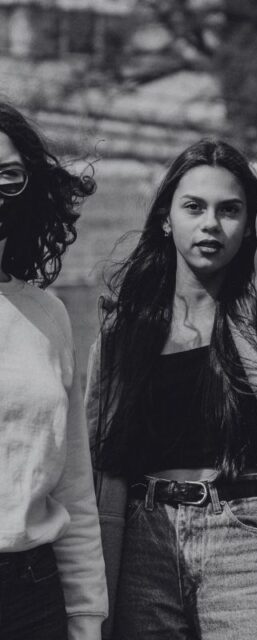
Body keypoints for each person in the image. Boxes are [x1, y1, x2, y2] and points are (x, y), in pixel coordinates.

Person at [85, 23, 257, 639]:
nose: (211, 224)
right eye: (194, 207)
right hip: (142, 540)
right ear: (166, 219)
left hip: (243, 536)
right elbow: (97, 453)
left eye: (229, 210)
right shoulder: (124, 323)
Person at [0, 102, 106, 640]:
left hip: (33, 595)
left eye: (9, 175)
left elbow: (73, 487)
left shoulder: (49, 315)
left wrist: (86, 615)